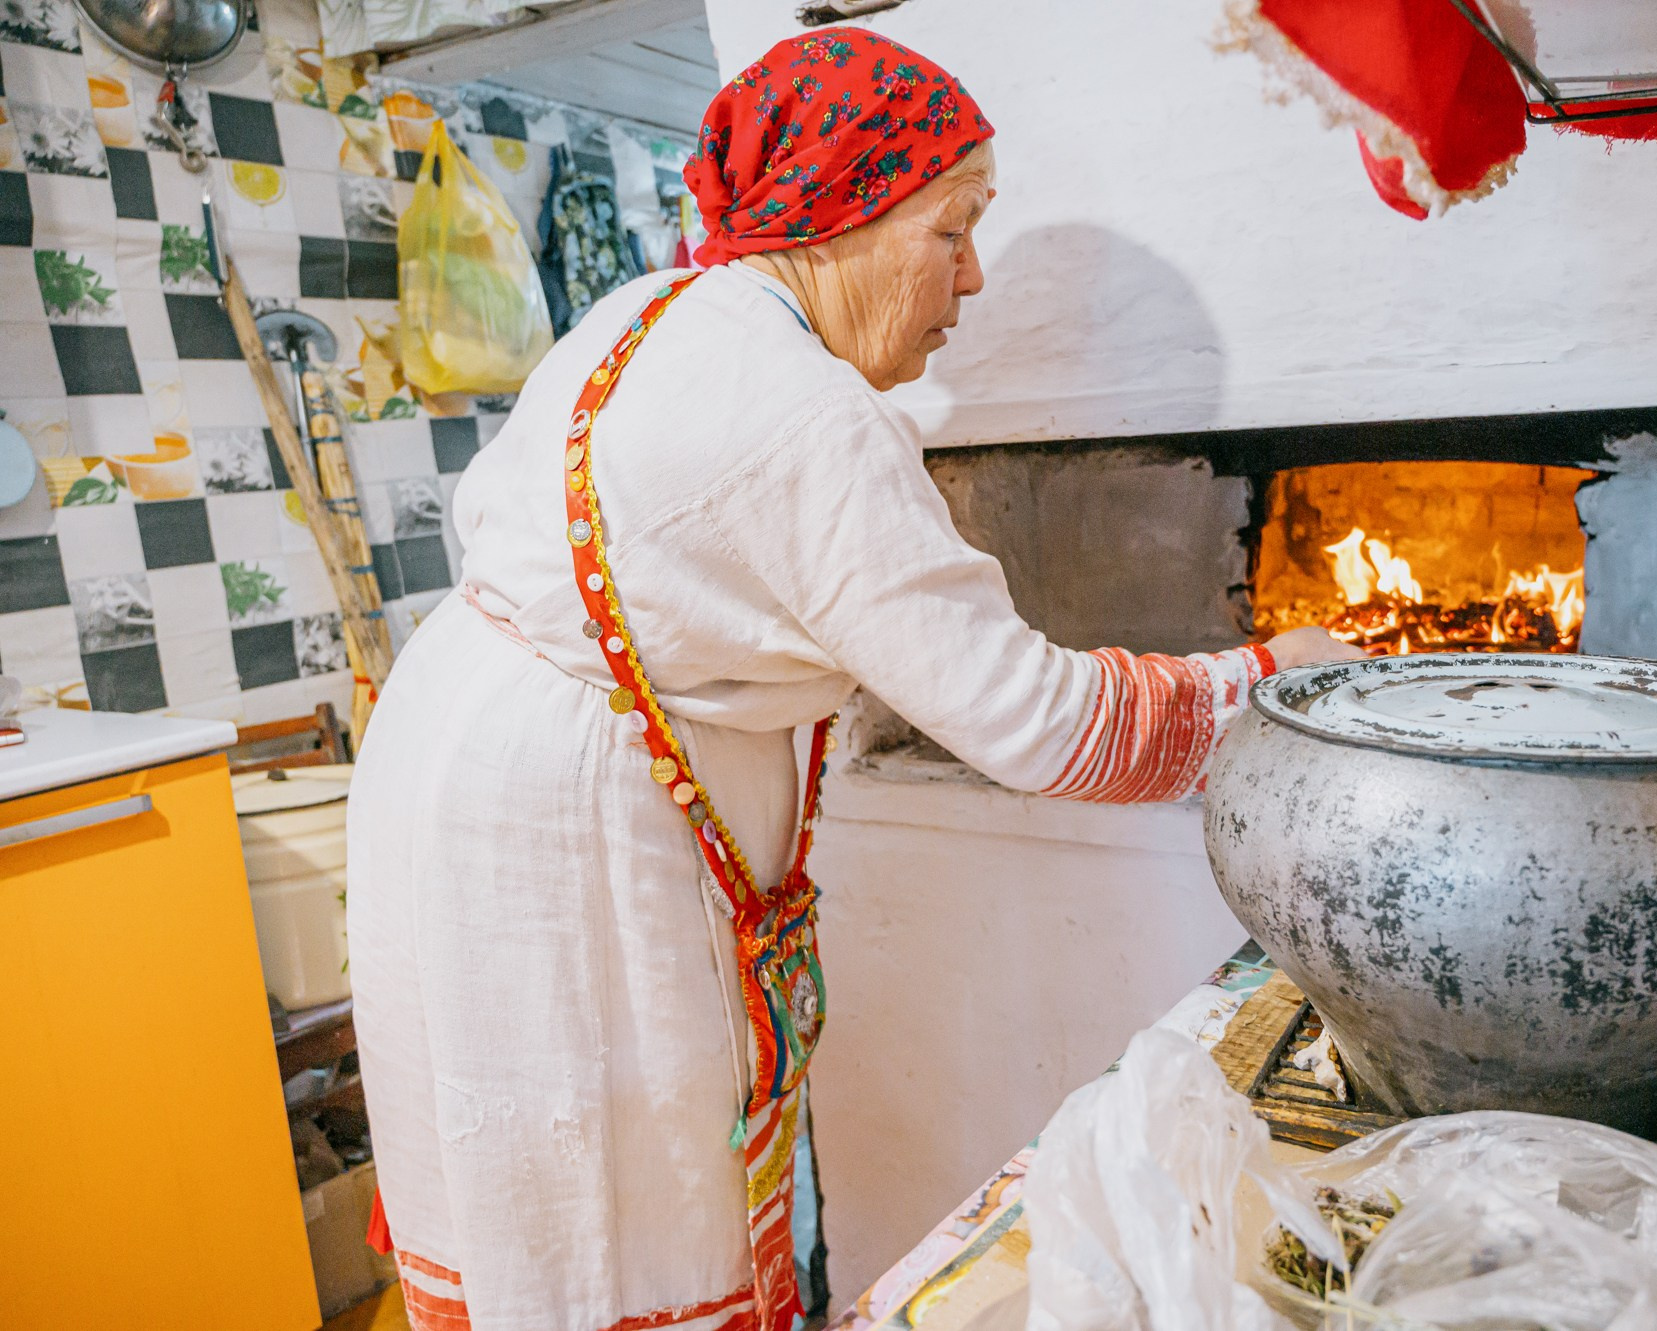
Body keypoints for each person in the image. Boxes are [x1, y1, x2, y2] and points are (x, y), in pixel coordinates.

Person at [346, 27, 1353, 1331]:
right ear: (847, 217)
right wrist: (1278, 682)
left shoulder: (663, 312)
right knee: (611, 1204)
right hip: (558, 842)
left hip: (456, 764)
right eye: (953, 228)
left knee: (529, 1182)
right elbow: (1043, 728)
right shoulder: (805, 417)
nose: (974, 276)